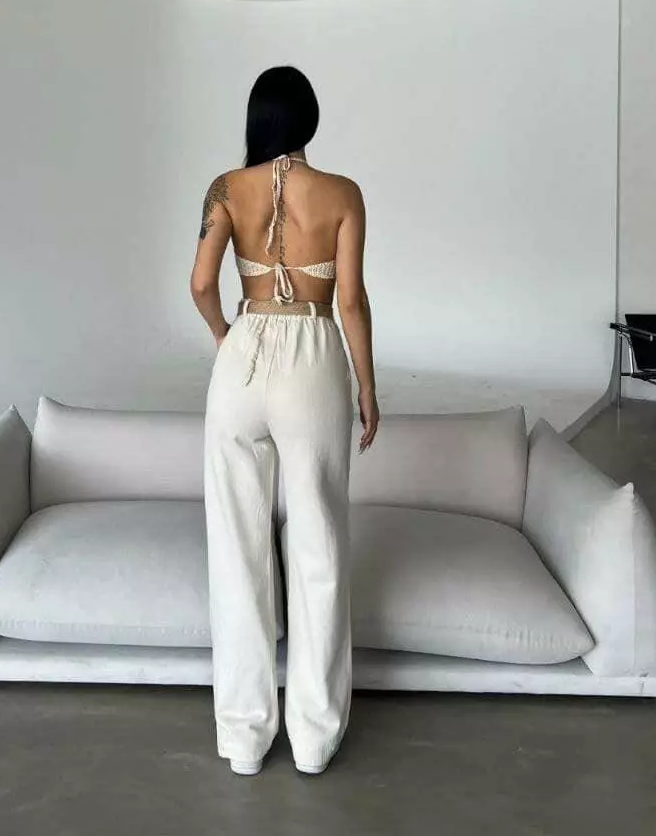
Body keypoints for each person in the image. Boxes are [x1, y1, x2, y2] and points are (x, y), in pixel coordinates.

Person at [190, 66, 379, 778]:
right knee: (318, 541)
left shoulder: (224, 188)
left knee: (234, 549)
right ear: (308, 118)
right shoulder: (342, 193)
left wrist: (225, 335)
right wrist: (367, 386)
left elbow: (201, 283)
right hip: (313, 356)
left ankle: (243, 739)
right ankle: (313, 739)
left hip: (242, 355)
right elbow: (350, 301)